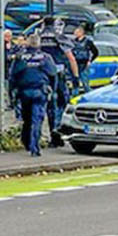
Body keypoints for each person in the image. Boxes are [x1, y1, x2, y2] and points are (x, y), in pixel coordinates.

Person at [9, 35, 57, 156]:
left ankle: (26, 142)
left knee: (27, 119)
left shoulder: (21, 58)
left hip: (24, 92)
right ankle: (34, 146)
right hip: (40, 91)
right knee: (37, 120)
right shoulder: (45, 58)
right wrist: (53, 91)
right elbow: (53, 75)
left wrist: (12, 95)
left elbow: (12, 76)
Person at [39, 18, 79, 146]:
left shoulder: (39, 37)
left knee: (49, 105)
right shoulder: (58, 37)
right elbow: (71, 58)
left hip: (42, 75)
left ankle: (51, 135)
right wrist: (76, 76)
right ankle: (58, 130)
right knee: (62, 102)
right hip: (58, 74)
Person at [71, 25, 100, 94]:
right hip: (75, 64)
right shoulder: (74, 42)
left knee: (85, 82)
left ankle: (89, 95)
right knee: (75, 82)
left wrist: (90, 61)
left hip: (84, 64)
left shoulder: (88, 42)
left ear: (81, 32)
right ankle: (75, 96)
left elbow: (95, 52)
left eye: (77, 31)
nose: (75, 33)